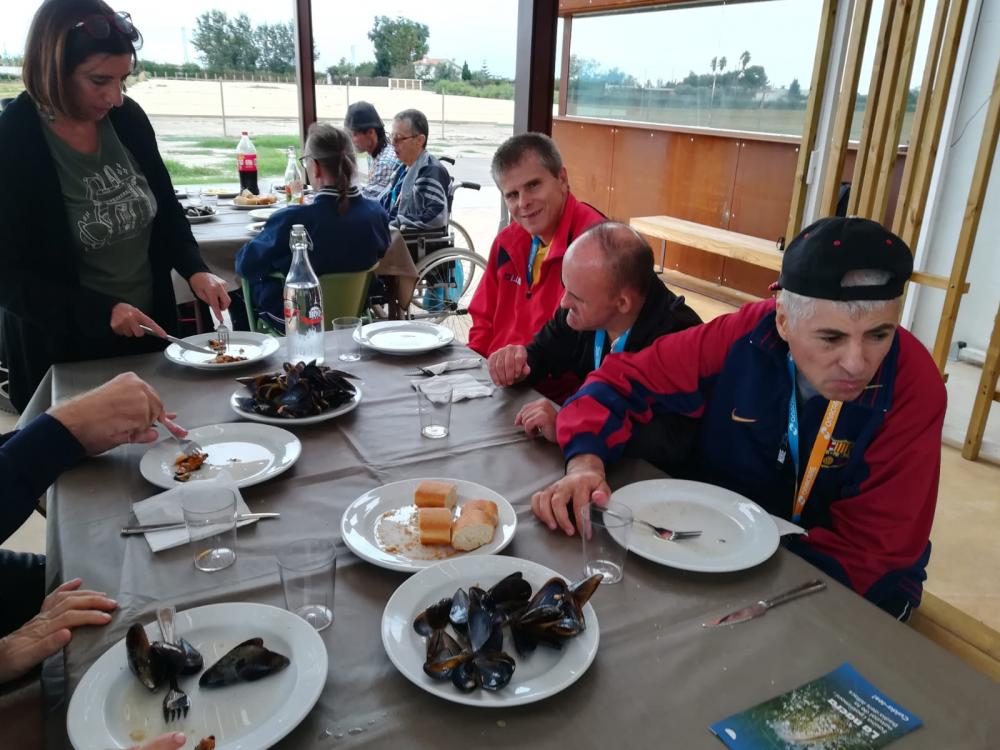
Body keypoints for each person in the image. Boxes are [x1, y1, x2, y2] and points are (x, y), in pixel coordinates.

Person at [532, 217, 946, 620]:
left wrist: (742, 577)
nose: (856, 364)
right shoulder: (744, 335)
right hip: (718, 550)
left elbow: (875, 554)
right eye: (831, 337)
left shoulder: (914, 384)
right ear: (782, 319)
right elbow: (620, 380)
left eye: (879, 334)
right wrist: (585, 463)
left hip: (837, 589)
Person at [0, 0, 230, 412]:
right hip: (63, 352)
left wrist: (194, 267)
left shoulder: (127, 120)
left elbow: (165, 209)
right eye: (99, 81)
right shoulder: (12, 139)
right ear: (52, 70)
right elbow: (9, 277)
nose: (116, 97)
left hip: (148, 335)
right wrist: (100, 312)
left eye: (122, 80)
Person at [488, 222, 703, 473]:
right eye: (565, 287)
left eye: (576, 297)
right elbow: (542, 353)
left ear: (622, 303)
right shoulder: (583, 310)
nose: (564, 302)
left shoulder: (679, 338)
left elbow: (673, 440)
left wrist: (576, 426)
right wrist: (519, 362)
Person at [468, 133, 604, 401]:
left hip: (555, 399)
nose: (523, 203)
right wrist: (475, 374)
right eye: (512, 195)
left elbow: (596, 352)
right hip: (496, 385)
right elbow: (482, 319)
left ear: (562, 179)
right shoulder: (507, 241)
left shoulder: (596, 245)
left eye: (533, 185)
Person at [236, 123, 390, 322]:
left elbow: (246, 265)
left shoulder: (292, 221)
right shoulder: (376, 214)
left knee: (241, 290)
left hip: (298, 319)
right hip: (354, 312)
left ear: (315, 167)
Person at [381, 109, 450, 231]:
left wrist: (393, 225)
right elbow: (386, 201)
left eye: (398, 138)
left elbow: (435, 218)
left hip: (403, 237)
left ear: (419, 140)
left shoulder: (430, 172)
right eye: (392, 137)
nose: (393, 143)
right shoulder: (403, 167)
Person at [344, 100, 402, 200]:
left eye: (354, 134)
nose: (350, 140)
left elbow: (368, 203)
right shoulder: (376, 154)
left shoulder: (384, 163)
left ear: (371, 132)